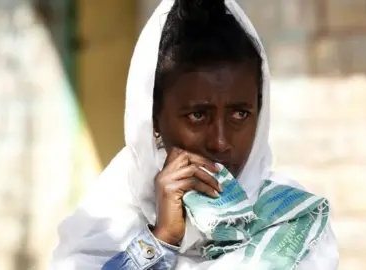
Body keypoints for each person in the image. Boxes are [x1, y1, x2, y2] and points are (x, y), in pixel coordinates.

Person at [50, 0, 339, 269]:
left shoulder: (295, 221)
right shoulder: (109, 217)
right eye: (197, 116)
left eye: (240, 114)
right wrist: (161, 240)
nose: (221, 142)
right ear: (153, 120)